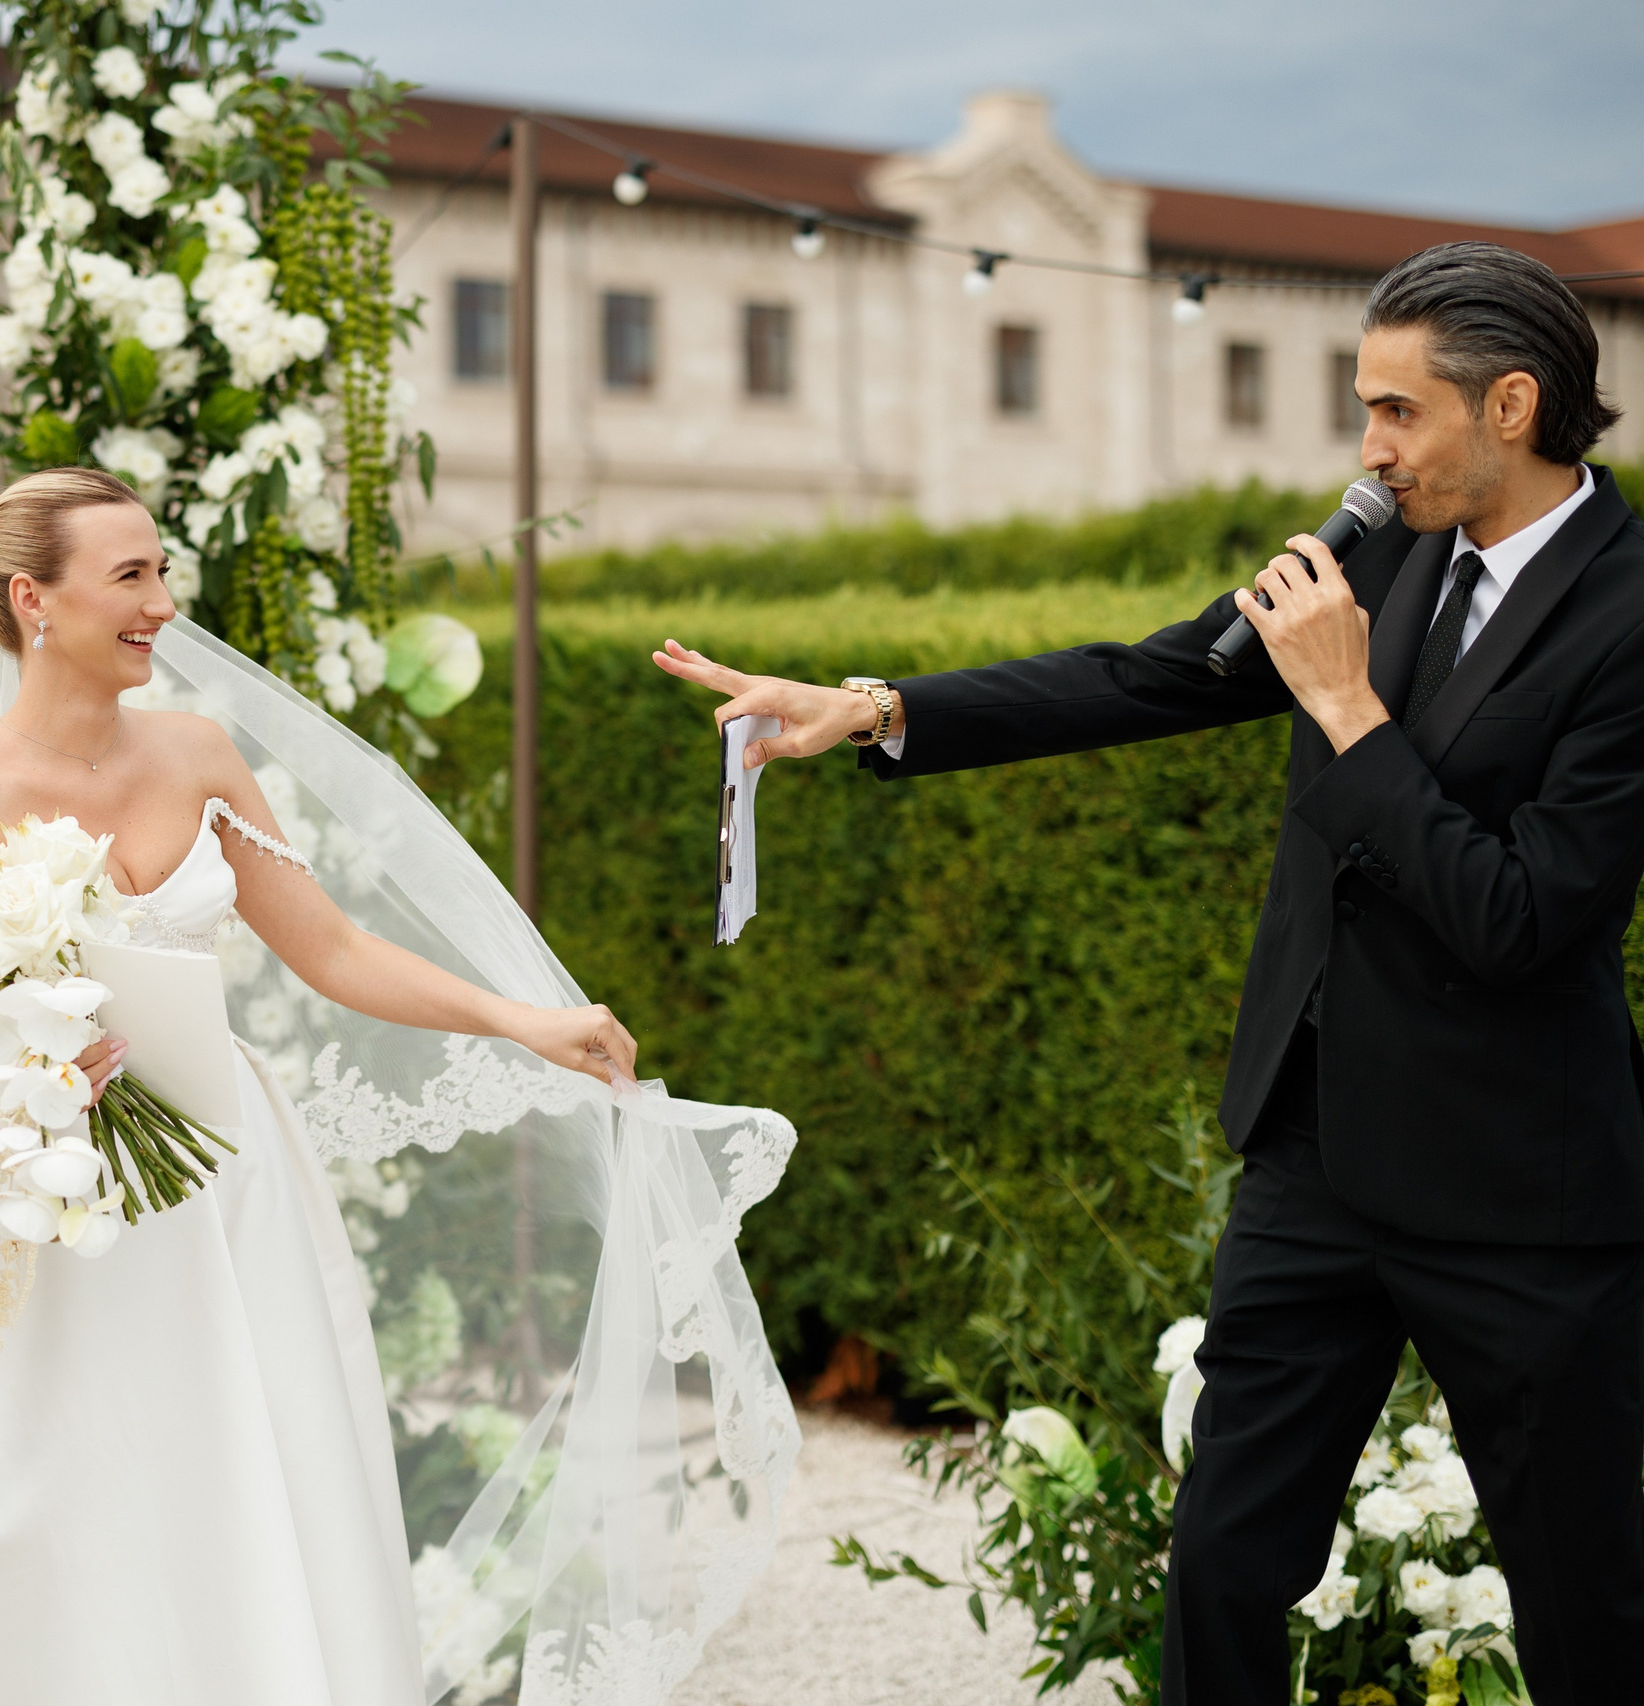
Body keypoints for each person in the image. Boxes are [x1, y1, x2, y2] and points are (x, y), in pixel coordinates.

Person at [658, 240, 1643, 1701]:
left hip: (1522, 1190)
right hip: (1314, 1157)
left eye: (1398, 412)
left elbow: (1518, 915)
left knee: (1586, 1613)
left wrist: (1350, 712)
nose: (1368, 453)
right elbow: (1158, 673)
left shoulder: (1630, 613)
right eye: (1364, 410)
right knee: (1224, 1568)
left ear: (1511, 404)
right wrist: (875, 707)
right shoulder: (1386, 544)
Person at [0, 468, 801, 1706]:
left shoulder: (196, 752)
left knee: (261, 1474)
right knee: (81, 1494)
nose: (162, 603)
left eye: (161, 570)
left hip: (233, 1186)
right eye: (131, 575)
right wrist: (20, 1074)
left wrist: (520, 1019)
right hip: (60, 1218)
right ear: (34, 598)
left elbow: (332, 947)